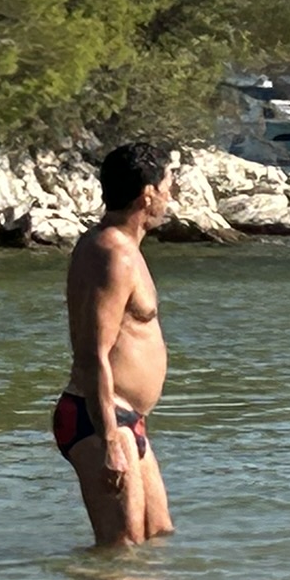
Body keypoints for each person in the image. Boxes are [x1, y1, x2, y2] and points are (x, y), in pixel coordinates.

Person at [55, 142, 175, 547]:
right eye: (168, 186)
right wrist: (109, 440)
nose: (171, 196)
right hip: (100, 418)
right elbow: (94, 353)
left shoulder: (124, 248)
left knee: (157, 536)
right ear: (148, 194)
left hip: (127, 418)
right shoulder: (112, 253)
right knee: (120, 551)